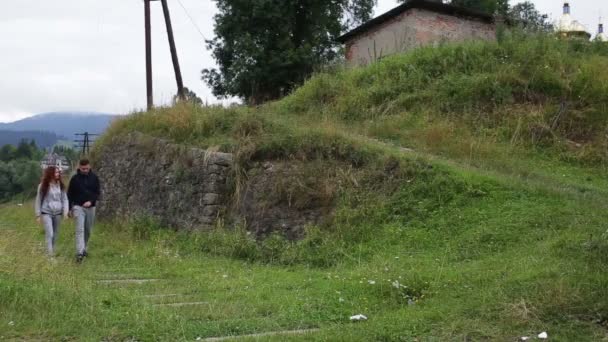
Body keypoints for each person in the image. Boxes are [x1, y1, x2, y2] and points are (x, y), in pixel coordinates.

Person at [67, 159, 101, 263]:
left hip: (91, 207)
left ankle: (84, 248)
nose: (85, 170)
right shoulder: (74, 179)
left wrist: (91, 201)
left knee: (88, 230)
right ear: (79, 167)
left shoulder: (94, 178)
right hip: (78, 207)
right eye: (83, 169)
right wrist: (69, 208)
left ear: (89, 167)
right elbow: (69, 195)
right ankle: (79, 253)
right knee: (79, 229)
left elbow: (97, 193)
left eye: (86, 168)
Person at [35, 166, 69, 257]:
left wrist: (65, 212)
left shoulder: (60, 185)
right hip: (46, 212)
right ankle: (49, 256)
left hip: (58, 213)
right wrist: (38, 215)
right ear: (50, 174)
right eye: (55, 172)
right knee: (50, 233)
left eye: (58, 172)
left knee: (55, 234)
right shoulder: (42, 185)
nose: (58, 174)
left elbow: (65, 199)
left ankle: (52, 251)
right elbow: (38, 200)